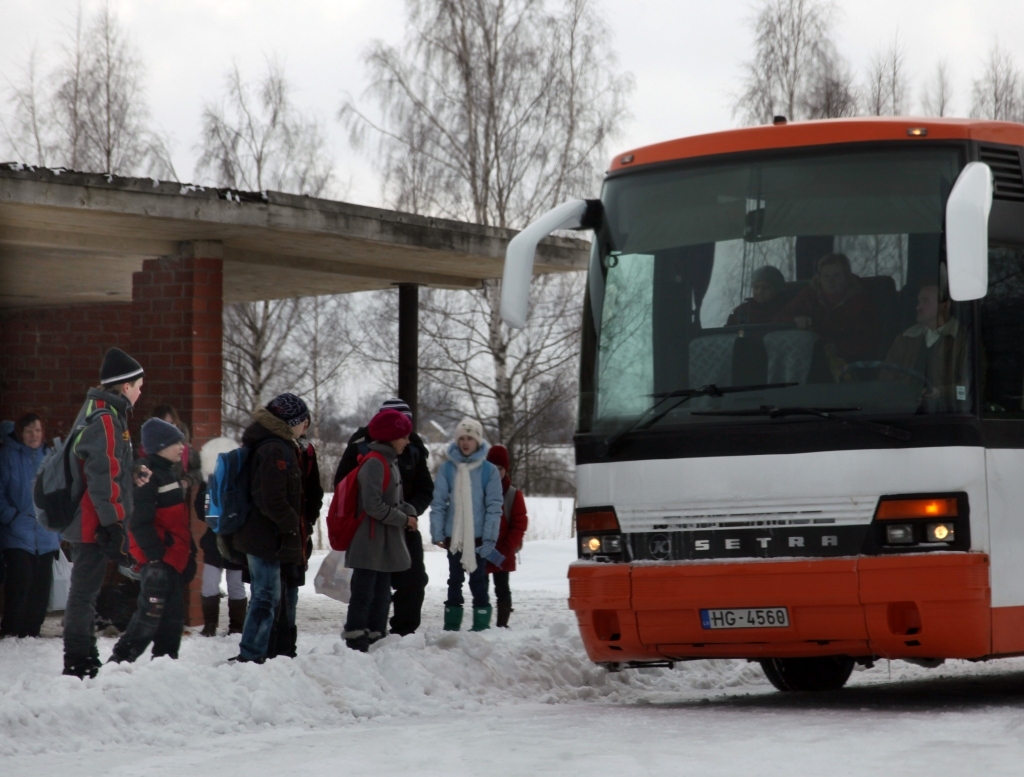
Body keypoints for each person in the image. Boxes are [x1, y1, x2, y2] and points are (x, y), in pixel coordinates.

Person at [62, 348, 144, 679]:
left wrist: (132, 470)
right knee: (84, 592)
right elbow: (101, 476)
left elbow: (108, 465)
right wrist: (112, 524)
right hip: (92, 522)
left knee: (85, 590)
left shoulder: (100, 411)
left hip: (91, 518)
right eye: (139, 384)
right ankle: (78, 658)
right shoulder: (107, 418)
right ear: (125, 386)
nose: (141, 391)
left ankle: (82, 653)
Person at [333, 398, 433, 636]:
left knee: (413, 580)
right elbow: (345, 487)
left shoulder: (413, 448)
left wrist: (411, 513)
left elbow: (426, 489)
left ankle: (403, 632)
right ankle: (362, 630)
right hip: (371, 528)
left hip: (404, 526)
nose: (405, 434)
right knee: (370, 584)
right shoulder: (363, 449)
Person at [230, 393, 309, 664]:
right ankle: (251, 654)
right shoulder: (274, 448)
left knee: (268, 595)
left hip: (264, 535)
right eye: (303, 422)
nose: (305, 428)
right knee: (265, 596)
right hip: (264, 536)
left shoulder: (272, 444)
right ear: (293, 422)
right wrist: (290, 526)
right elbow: (270, 498)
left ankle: (259, 651)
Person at [108, 419, 194, 663]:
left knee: (173, 618)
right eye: (177, 442)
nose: (182, 446)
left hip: (171, 557)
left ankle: (165, 663)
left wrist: (188, 554)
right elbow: (139, 521)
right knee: (150, 614)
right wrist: (155, 555)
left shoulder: (170, 472)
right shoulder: (146, 473)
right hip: (158, 559)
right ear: (160, 445)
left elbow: (178, 522)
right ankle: (120, 660)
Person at [341, 408, 418, 652]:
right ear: (389, 437)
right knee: (364, 593)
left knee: (382, 594)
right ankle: (356, 639)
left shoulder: (389, 462)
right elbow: (373, 505)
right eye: (404, 436)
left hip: (384, 542)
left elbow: (395, 501)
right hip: (369, 541)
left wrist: (411, 512)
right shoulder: (374, 463)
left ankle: (376, 636)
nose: (407, 441)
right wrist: (404, 520)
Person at [429, 418, 503, 632]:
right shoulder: (447, 469)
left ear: (478, 441)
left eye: (470, 438)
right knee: (454, 580)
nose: (465, 442)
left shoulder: (489, 471)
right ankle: (451, 624)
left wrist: (489, 537)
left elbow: (494, 506)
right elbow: (439, 502)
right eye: (461, 438)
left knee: (479, 580)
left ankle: (481, 625)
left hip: (479, 536)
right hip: (455, 536)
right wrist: (438, 532)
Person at [0, 413, 61, 638]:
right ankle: (12, 632)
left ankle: (33, 633)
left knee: (41, 587)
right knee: (20, 583)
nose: (34, 435)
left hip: (46, 534)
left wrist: (58, 527)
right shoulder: (8, 456)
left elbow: (60, 495)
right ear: (20, 434)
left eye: (37, 430)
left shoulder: (52, 457)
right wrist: (12, 517)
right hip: (17, 532)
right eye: (28, 431)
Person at [265, 430, 323, 659]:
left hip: (298, 535)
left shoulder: (307, 451)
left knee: (290, 592)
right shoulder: (271, 449)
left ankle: (287, 647)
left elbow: (315, 492)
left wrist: (306, 524)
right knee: (270, 593)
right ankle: (271, 646)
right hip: (273, 535)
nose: (304, 424)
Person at [776, 253, 881, 366]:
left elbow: (867, 342)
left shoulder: (860, 303)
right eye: (826, 276)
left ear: (846, 277)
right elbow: (779, 319)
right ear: (819, 277)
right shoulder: (809, 295)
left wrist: (835, 349)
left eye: (836, 276)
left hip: (848, 364)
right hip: (809, 360)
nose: (830, 281)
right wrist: (796, 319)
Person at [196, 437, 249, 637]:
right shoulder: (217, 482)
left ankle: (232, 626)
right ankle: (217, 625)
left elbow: (201, 511)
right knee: (221, 582)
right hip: (226, 538)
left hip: (226, 538)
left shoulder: (211, 481)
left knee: (230, 582)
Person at [883, 282, 969, 401]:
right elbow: (885, 380)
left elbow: (970, 386)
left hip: (946, 414)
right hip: (903, 412)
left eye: (926, 301)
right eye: (919, 301)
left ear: (945, 305)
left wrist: (939, 393)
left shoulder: (963, 340)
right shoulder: (904, 339)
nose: (918, 307)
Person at [484, 445, 529, 629]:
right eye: (492, 468)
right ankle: (482, 622)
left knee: (502, 587)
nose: (496, 472)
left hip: (504, 549)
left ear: (506, 470)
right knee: (481, 587)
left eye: (500, 468)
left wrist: (507, 547)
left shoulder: (512, 494)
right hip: (483, 549)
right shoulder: (479, 492)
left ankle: (502, 623)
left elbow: (519, 524)